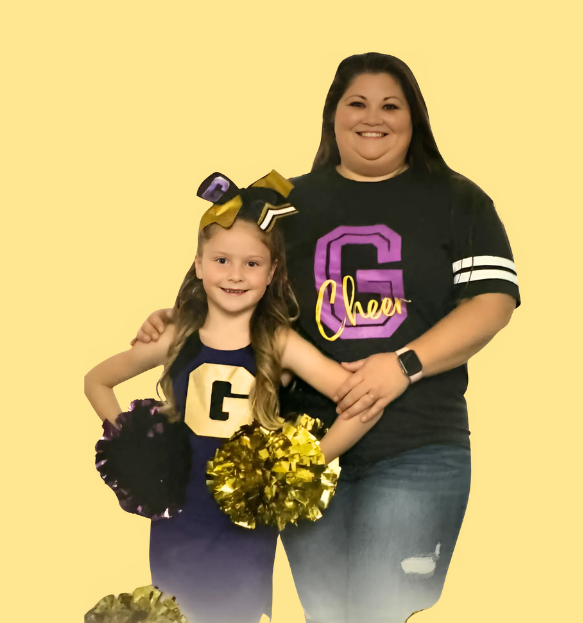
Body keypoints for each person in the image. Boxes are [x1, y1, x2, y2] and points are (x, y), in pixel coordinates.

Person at [132, 53, 520, 623]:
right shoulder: (285, 203)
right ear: (332, 116)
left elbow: (493, 303)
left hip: (418, 445)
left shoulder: (458, 200)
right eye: (356, 104)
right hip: (302, 449)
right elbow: (236, 282)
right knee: (330, 614)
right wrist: (178, 317)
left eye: (391, 105)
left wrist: (403, 364)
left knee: (376, 611)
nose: (374, 118)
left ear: (415, 118)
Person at [84, 171, 381, 623]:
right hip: (178, 517)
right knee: (173, 611)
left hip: (243, 521)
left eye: (252, 264)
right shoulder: (177, 334)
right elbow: (96, 381)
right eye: (221, 261)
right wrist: (134, 444)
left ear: (272, 272)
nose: (235, 275)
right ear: (199, 264)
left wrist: (311, 459)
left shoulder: (279, 342)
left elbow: (362, 401)